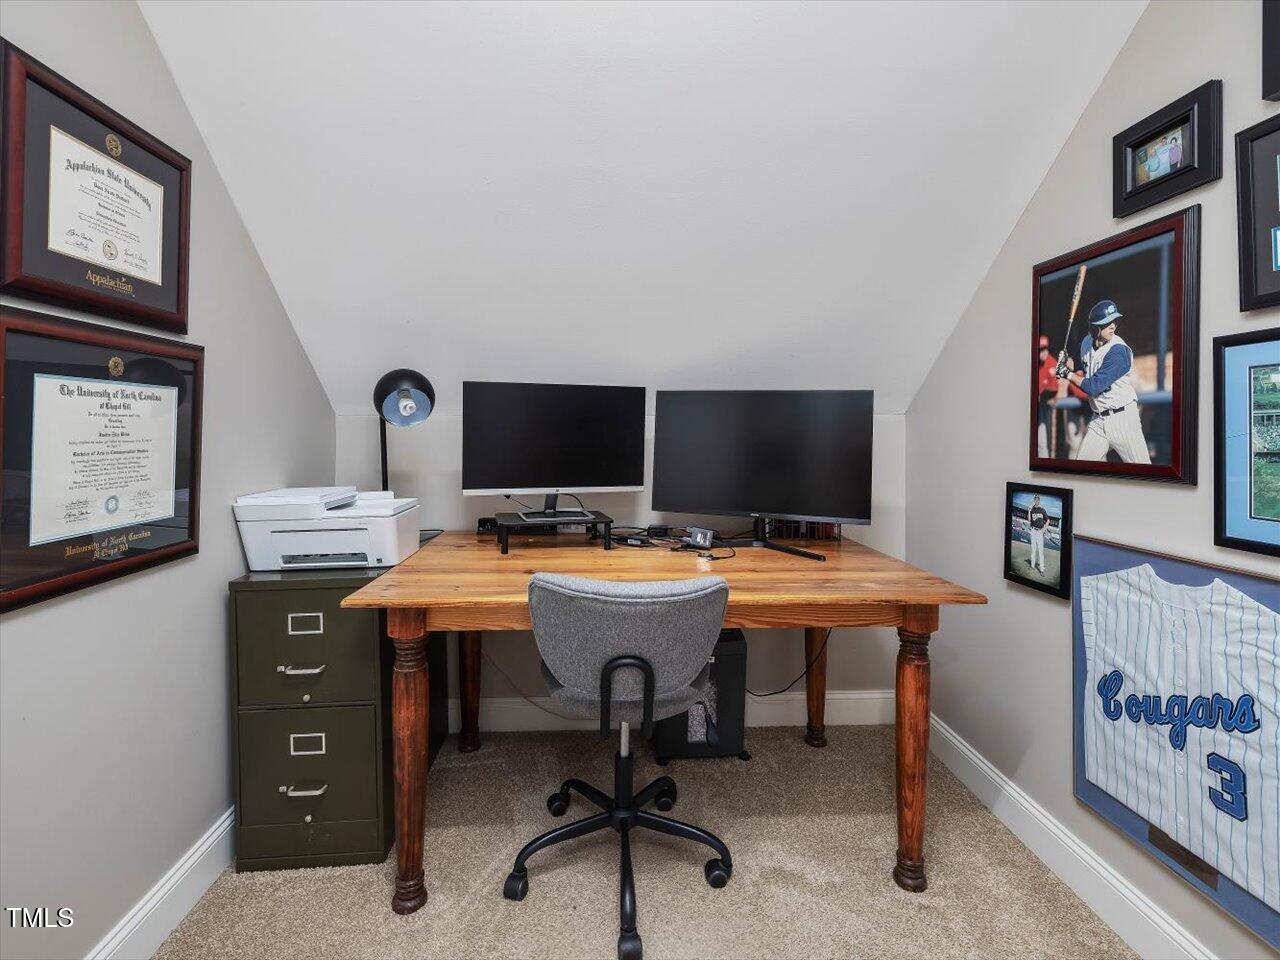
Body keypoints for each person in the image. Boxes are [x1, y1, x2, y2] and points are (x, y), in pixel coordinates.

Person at [1060, 299, 1151, 463]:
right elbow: (1078, 363)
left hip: (1123, 419)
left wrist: (1067, 374)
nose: (1113, 326)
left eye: (1114, 321)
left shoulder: (1118, 351)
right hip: (1099, 421)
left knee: (1145, 473)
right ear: (1095, 328)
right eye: (1107, 322)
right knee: (1081, 467)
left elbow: (1093, 387)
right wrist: (1066, 362)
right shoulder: (1086, 342)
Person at [1027, 495, 1049, 573]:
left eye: (1037, 499)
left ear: (1039, 500)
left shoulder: (1042, 510)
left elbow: (1048, 521)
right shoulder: (1032, 509)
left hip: (1040, 532)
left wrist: (1043, 529)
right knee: (1033, 550)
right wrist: (1029, 511)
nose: (1036, 501)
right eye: (1035, 499)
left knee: (1040, 551)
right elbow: (1029, 520)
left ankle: (1042, 569)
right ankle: (1032, 566)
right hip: (1033, 531)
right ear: (1034, 500)